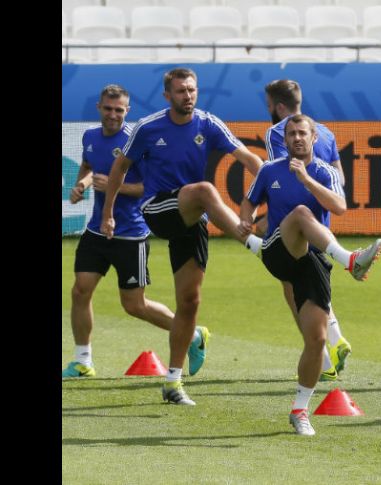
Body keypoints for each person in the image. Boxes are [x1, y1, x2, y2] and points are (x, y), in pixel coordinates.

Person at [100, 68, 265, 406]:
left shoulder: (208, 123)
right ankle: (256, 245)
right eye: (180, 91)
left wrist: (276, 186)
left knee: (189, 303)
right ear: (167, 96)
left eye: (191, 90)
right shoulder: (148, 127)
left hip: (191, 218)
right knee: (205, 189)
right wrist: (108, 213)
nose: (187, 96)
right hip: (157, 209)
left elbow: (248, 158)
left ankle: (173, 383)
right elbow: (119, 169)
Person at [240, 114, 381, 436]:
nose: (297, 139)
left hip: (313, 260)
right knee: (302, 215)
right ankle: (350, 261)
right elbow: (249, 200)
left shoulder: (324, 171)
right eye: (291, 134)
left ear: (314, 138)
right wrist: (245, 219)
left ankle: (300, 409)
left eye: (302, 133)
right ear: (285, 139)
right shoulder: (270, 170)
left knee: (316, 341)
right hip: (279, 249)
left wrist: (306, 180)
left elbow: (340, 207)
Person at [63, 84, 209, 379]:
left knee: (134, 305)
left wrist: (114, 187)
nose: (113, 115)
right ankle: (83, 361)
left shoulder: (137, 139)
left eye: (119, 110)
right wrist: (83, 184)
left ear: (127, 111)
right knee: (80, 291)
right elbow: (91, 165)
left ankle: (193, 335)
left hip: (131, 232)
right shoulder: (90, 136)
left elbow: (147, 187)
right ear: (99, 108)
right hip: (96, 231)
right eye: (108, 108)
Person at [262, 79, 350, 381]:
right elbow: (340, 178)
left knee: (291, 281)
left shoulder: (277, 132)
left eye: (269, 105)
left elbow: (282, 174)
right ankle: (335, 338)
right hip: (320, 217)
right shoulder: (324, 131)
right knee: (314, 277)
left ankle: (323, 354)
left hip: (294, 218)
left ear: (279, 106)